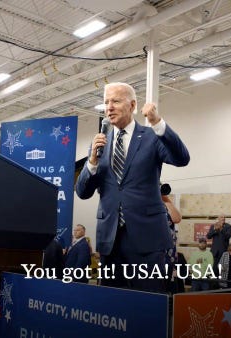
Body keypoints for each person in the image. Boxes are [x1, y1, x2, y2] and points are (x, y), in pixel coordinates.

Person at [75, 82, 190, 293]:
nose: (109, 107)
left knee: (149, 303)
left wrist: (158, 123)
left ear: (132, 105)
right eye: (106, 102)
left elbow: (182, 158)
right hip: (110, 241)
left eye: (116, 101)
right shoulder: (99, 144)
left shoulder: (151, 136)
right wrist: (91, 162)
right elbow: (82, 192)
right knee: (113, 305)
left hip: (147, 239)